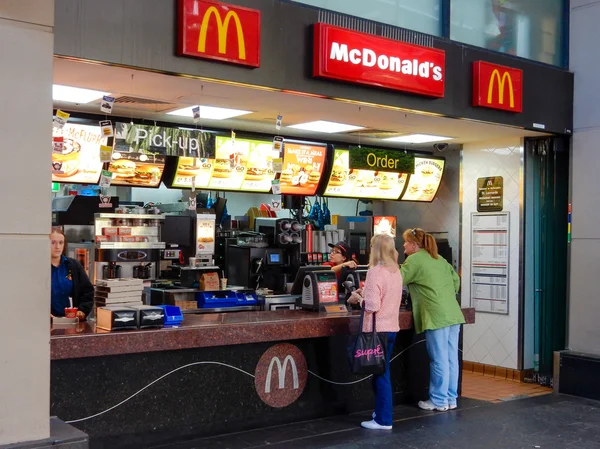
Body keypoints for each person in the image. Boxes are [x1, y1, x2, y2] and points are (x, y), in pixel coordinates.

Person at [400, 228, 465, 412]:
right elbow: (456, 282)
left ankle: (438, 400)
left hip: (435, 315)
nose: (403, 245)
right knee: (451, 358)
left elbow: (396, 280)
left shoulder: (414, 260)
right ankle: (451, 398)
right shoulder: (439, 258)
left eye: (406, 241)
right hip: (453, 313)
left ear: (414, 244)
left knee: (439, 359)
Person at [347, 234, 403, 430]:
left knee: (381, 375)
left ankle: (383, 420)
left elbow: (372, 305)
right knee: (382, 372)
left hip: (376, 331)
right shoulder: (396, 271)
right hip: (391, 329)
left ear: (375, 249)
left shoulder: (375, 271)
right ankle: (380, 412)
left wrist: (358, 299)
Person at [50, 228, 94, 320]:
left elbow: (87, 291)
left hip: (72, 321)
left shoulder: (73, 265)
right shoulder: (38, 268)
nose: (57, 246)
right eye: (53, 243)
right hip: (46, 324)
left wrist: (82, 310)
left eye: (61, 242)